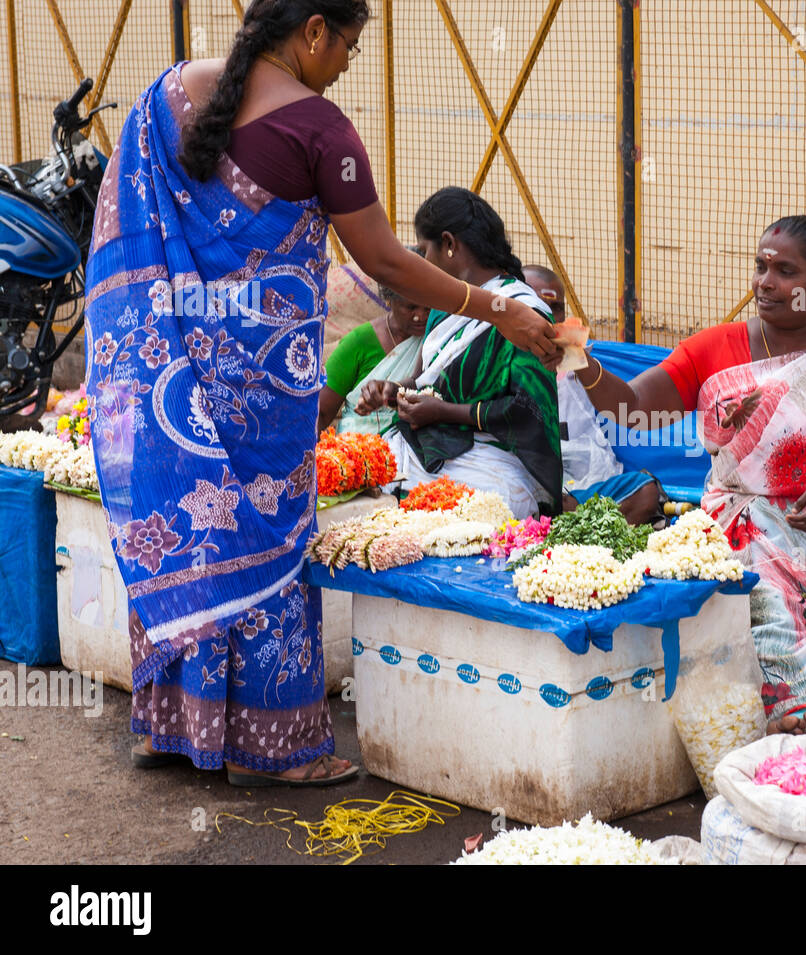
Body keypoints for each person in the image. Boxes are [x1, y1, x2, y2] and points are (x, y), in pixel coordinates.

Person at [84, 0, 557, 786]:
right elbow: (387, 262)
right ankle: (277, 747)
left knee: (189, 529)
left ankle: (172, 725)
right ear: (311, 32)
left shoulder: (167, 96)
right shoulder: (321, 130)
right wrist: (498, 307)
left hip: (171, 377)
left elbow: (125, 231)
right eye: (347, 44)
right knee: (264, 543)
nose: (347, 62)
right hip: (260, 394)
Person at [574, 216, 806, 731]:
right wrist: (571, 356)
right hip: (736, 528)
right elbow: (632, 410)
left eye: (785, 270)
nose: (765, 282)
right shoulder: (716, 348)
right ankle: (781, 716)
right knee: (754, 609)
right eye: (760, 267)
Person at [356, 189, 562, 518]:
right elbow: (424, 381)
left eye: (424, 251)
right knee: (348, 480)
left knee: (473, 508)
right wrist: (393, 392)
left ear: (450, 245)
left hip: (493, 462)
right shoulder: (444, 307)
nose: (422, 263)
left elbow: (528, 411)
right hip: (424, 447)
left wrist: (443, 412)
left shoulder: (526, 315)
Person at [523, 264, 663, 526]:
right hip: (533, 486)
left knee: (646, 493)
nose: (547, 317)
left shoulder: (577, 356)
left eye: (555, 308)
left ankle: (568, 525)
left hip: (589, 488)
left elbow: (626, 407)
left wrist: (579, 359)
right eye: (536, 306)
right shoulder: (497, 359)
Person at [317, 276, 426, 433]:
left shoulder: (438, 337)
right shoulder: (359, 341)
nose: (420, 316)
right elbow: (321, 412)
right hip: (360, 450)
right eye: (410, 308)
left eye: (427, 308)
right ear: (389, 300)